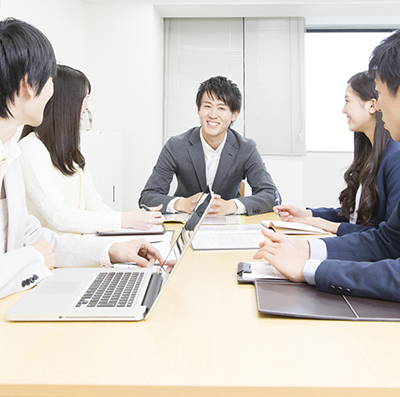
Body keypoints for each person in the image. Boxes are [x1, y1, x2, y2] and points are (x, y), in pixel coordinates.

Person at [0, 18, 167, 300]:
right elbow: (38, 247)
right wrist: (31, 259)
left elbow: (33, 237)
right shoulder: (26, 149)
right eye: (51, 78)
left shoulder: (10, 153)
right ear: (29, 83)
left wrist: (109, 251)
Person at [255, 29, 400, 302]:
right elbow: (388, 241)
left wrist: (310, 264)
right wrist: (308, 248)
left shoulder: (395, 157)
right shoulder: (373, 150)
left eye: (379, 94)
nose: (379, 106)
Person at [19, 65, 164, 234]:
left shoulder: (71, 151)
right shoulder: (30, 148)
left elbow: (93, 204)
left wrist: (130, 223)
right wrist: (125, 220)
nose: (87, 106)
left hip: (77, 248)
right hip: (48, 255)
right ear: (66, 101)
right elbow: (59, 216)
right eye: (84, 97)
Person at [276, 71, 400, 235]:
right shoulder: (370, 152)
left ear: (372, 105)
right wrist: (308, 214)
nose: (343, 110)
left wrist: (327, 225)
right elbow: (355, 216)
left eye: (347, 101)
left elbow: (387, 237)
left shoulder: (394, 158)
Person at [140, 75, 279, 216]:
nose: (213, 115)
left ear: (234, 114)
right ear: (198, 109)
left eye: (221, 108)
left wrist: (232, 206)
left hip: (229, 224)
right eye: (207, 106)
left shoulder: (246, 148)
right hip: (185, 222)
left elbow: (271, 196)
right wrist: (181, 203)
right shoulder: (176, 145)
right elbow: (147, 197)